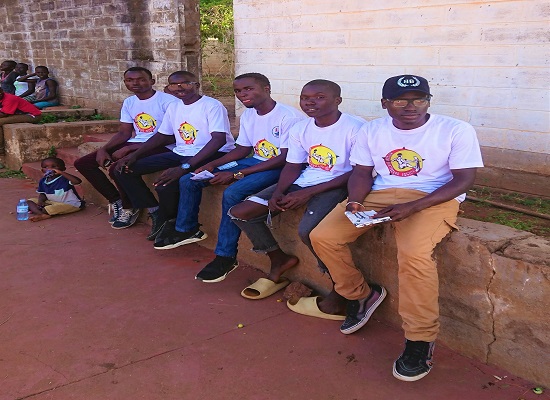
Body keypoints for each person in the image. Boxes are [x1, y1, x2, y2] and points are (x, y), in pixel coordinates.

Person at [309, 75, 484, 381]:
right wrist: (354, 202)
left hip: (434, 197)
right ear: (385, 103)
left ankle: (420, 339)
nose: (411, 106)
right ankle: (360, 295)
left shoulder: (455, 129)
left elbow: (463, 179)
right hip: (382, 194)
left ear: (429, 101)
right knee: (323, 236)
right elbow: (362, 172)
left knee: (414, 255)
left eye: (419, 99)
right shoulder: (373, 130)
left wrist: (412, 207)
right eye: (400, 100)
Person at [154, 73, 304, 284]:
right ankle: (186, 229)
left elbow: (285, 158)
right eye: (238, 91)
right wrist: (213, 164)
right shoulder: (249, 115)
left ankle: (225, 256)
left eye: (249, 89)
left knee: (233, 192)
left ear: (267, 88)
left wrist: (235, 174)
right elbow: (243, 148)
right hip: (255, 161)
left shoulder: (288, 117)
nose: (243, 95)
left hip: (279, 167)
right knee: (191, 178)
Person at [228, 79, 366, 300]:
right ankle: (278, 259)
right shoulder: (301, 127)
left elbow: (359, 171)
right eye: (305, 98)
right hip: (305, 180)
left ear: (337, 100)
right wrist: (278, 192)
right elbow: (293, 165)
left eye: (319, 97)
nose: (310, 103)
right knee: (241, 212)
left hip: (337, 184)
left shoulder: (357, 128)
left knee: (308, 232)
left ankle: (339, 285)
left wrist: (307, 193)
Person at [113, 70, 234, 238]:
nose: (179, 88)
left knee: (166, 184)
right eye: (173, 85)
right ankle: (154, 211)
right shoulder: (174, 106)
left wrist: (184, 167)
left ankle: (169, 224)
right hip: (181, 152)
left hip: (211, 153)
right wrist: (135, 155)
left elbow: (218, 140)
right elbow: (162, 135)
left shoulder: (211, 105)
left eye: (185, 83)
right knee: (123, 169)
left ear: (196, 85)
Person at [74, 67, 178, 231]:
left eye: (141, 79)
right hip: (138, 142)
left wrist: (133, 149)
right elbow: (124, 132)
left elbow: (172, 135)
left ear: (152, 81)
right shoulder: (130, 102)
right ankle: (118, 201)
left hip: (164, 145)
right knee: (83, 163)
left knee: (120, 166)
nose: (135, 83)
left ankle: (142, 208)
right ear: (125, 83)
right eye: (130, 80)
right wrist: (104, 149)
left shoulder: (168, 102)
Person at [26, 157, 84, 222]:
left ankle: (41, 212)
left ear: (63, 169)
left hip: (71, 204)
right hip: (53, 202)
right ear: (42, 170)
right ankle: (42, 214)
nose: (50, 169)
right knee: (29, 202)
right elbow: (42, 193)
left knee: (48, 209)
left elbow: (77, 181)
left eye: (54, 167)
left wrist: (61, 173)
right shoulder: (43, 181)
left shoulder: (65, 179)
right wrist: (40, 202)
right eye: (46, 167)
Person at [0, 87, 41, 154]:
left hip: (32, 115)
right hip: (17, 114)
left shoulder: (9, 99)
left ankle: (1, 149)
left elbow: (4, 114)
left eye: (0, 92)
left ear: (2, 91)